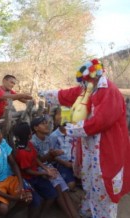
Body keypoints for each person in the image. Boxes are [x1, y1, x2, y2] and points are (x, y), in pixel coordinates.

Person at [40, 59, 130, 218]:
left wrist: (72, 129)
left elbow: (102, 121)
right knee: (90, 181)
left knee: (103, 185)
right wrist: (44, 93)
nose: (82, 85)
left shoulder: (109, 91)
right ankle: (89, 211)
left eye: (85, 81)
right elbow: (69, 95)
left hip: (106, 148)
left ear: (94, 77)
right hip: (91, 147)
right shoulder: (90, 88)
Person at [31, 116, 79, 218]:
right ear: (36, 128)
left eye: (46, 123)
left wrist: (53, 155)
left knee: (64, 190)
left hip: (49, 167)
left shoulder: (47, 139)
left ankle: (74, 215)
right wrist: (52, 155)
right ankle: (70, 215)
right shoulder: (33, 142)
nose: (47, 125)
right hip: (41, 169)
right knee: (58, 188)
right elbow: (38, 161)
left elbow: (49, 160)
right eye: (43, 123)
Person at [0, 123, 32, 216]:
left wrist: (20, 183)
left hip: (10, 178)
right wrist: (12, 198)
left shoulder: (2, 143)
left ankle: (10, 215)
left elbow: (13, 163)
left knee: (27, 198)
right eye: (0, 134)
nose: (2, 135)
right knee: (3, 209)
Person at [14, 122, 60, 218]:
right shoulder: (21, 152)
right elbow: (27, 171)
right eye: (30, 132)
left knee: (52, 195)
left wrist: (45, 168)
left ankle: (41, 216)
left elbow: (36, 158)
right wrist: (44, 172)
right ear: (29, 134)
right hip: (27, 179)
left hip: (35, 176)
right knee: (36, 202)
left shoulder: (29, 145)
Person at [49, 107, 76, 191]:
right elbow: (51, 155)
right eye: (59, 114)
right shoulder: (53, 136)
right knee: (71, 185)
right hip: (63, 163)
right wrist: (65, 163)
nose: (62, 117)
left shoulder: (75, 133)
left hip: (75, 163)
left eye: (65, 114)